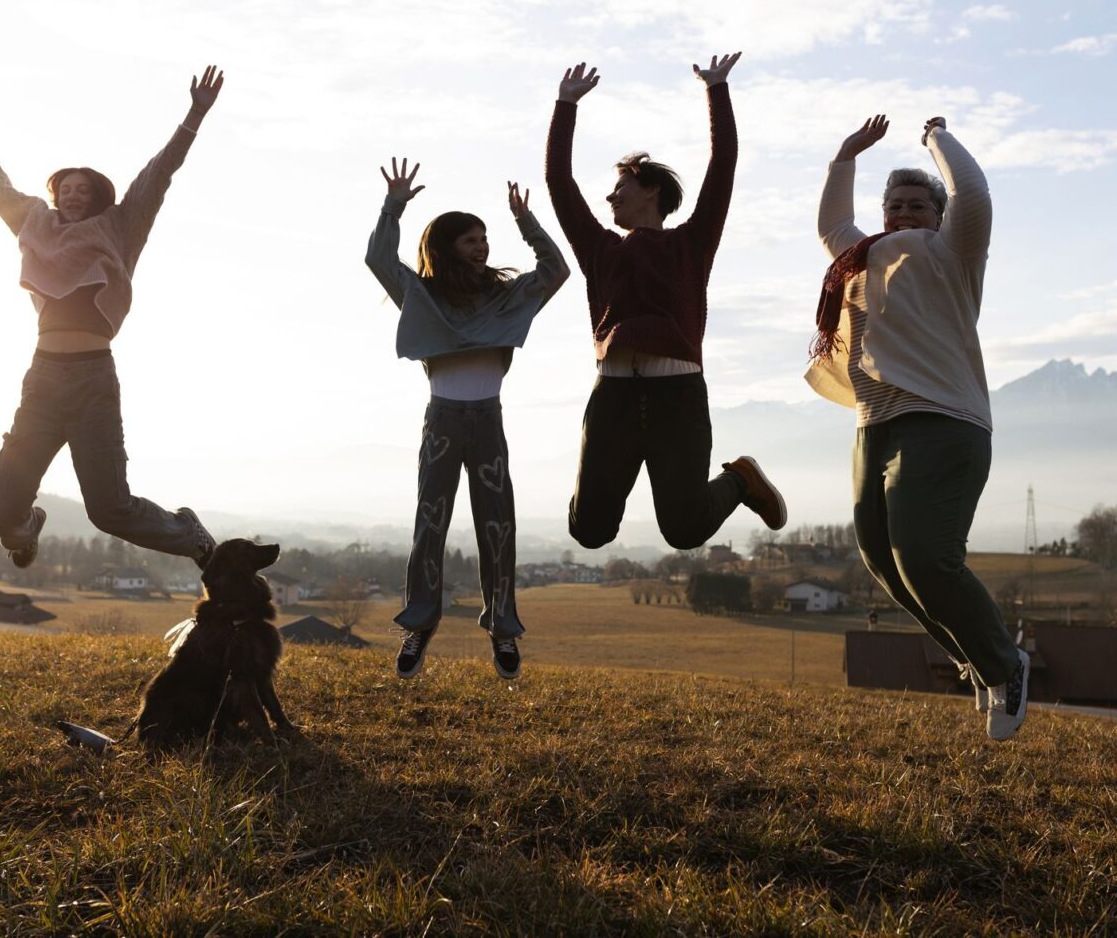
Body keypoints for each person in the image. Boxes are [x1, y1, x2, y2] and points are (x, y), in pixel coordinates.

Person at [807, 113, 1030, 741]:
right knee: (883, 559)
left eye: (916, 204)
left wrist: (936, 136)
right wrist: (846, 154)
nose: (903, 213)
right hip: (874, 426)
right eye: (894, 205)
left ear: (937, 215)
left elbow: (974, 193)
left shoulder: (952, 254)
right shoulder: (860, 258)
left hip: (942, 421)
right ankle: (979, 660)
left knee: (927, 557)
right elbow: (830, 223)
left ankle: (1006, 663)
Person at [0, 63, 222, 570]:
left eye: (85, 188)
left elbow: (158, 173)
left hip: (93, 381)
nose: (74, 193)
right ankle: (23, 530)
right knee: (2, 499)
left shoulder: (121, 226)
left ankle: (190, 535)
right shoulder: (34, 222)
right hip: (44, 378)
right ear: (56, 194)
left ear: (100, 196)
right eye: (67, 187)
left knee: (109, 509)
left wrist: (193, 116)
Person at [546, 56, 787, 557]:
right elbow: (559, 184)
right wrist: (565, 105)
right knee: (588, 531)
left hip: (677, 398)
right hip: (611, 397)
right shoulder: (600, 249)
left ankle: (741, 480)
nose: (610, 196)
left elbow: (723, 168)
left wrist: (716, 91)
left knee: (685, 530)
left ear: (651, 190)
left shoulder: (692, 243)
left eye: (620, 187)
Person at [365, 158, 570, 680]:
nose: (481, 245)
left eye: (484, 237)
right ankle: (419, 625)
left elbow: (556, 271)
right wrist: (393, 207)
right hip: (442, 422)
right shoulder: (422, 296)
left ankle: (503, 629)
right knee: (428, 525)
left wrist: (527, 223)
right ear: (446, 247)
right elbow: (377, 258)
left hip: (488, 421)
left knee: (498, 525)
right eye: (469, 239)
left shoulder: (507, 297)